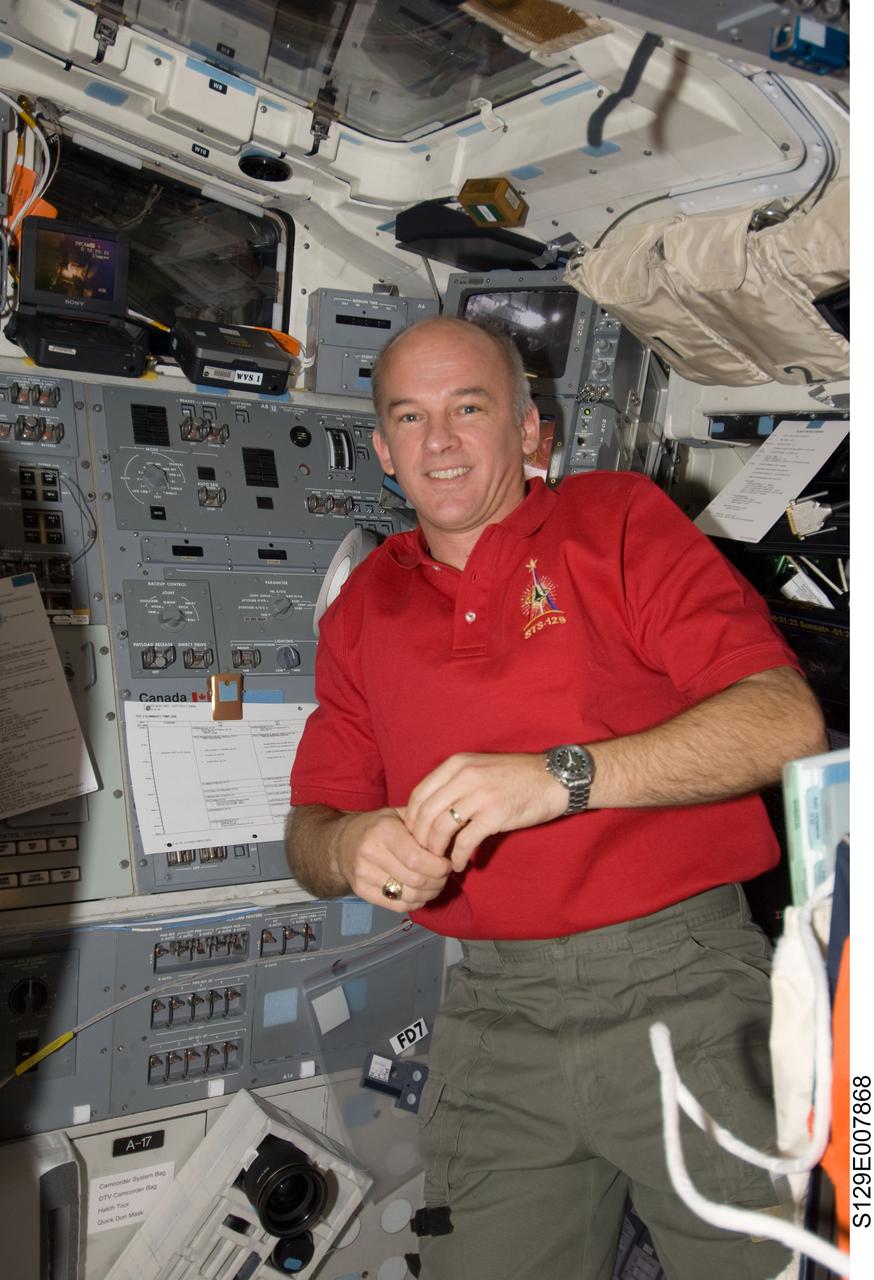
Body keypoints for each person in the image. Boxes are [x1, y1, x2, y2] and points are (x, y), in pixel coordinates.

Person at [287, 316, 827, 1280]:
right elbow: (310, 834)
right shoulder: (364, 606)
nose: (439, 440)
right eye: (410, 417)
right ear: (381, 448)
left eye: (469, 408)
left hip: (684, 985)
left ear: (531, 432)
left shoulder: (614, 520)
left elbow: (782, 721)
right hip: (495, 1013)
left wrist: (561, 777)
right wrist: (352, 845)